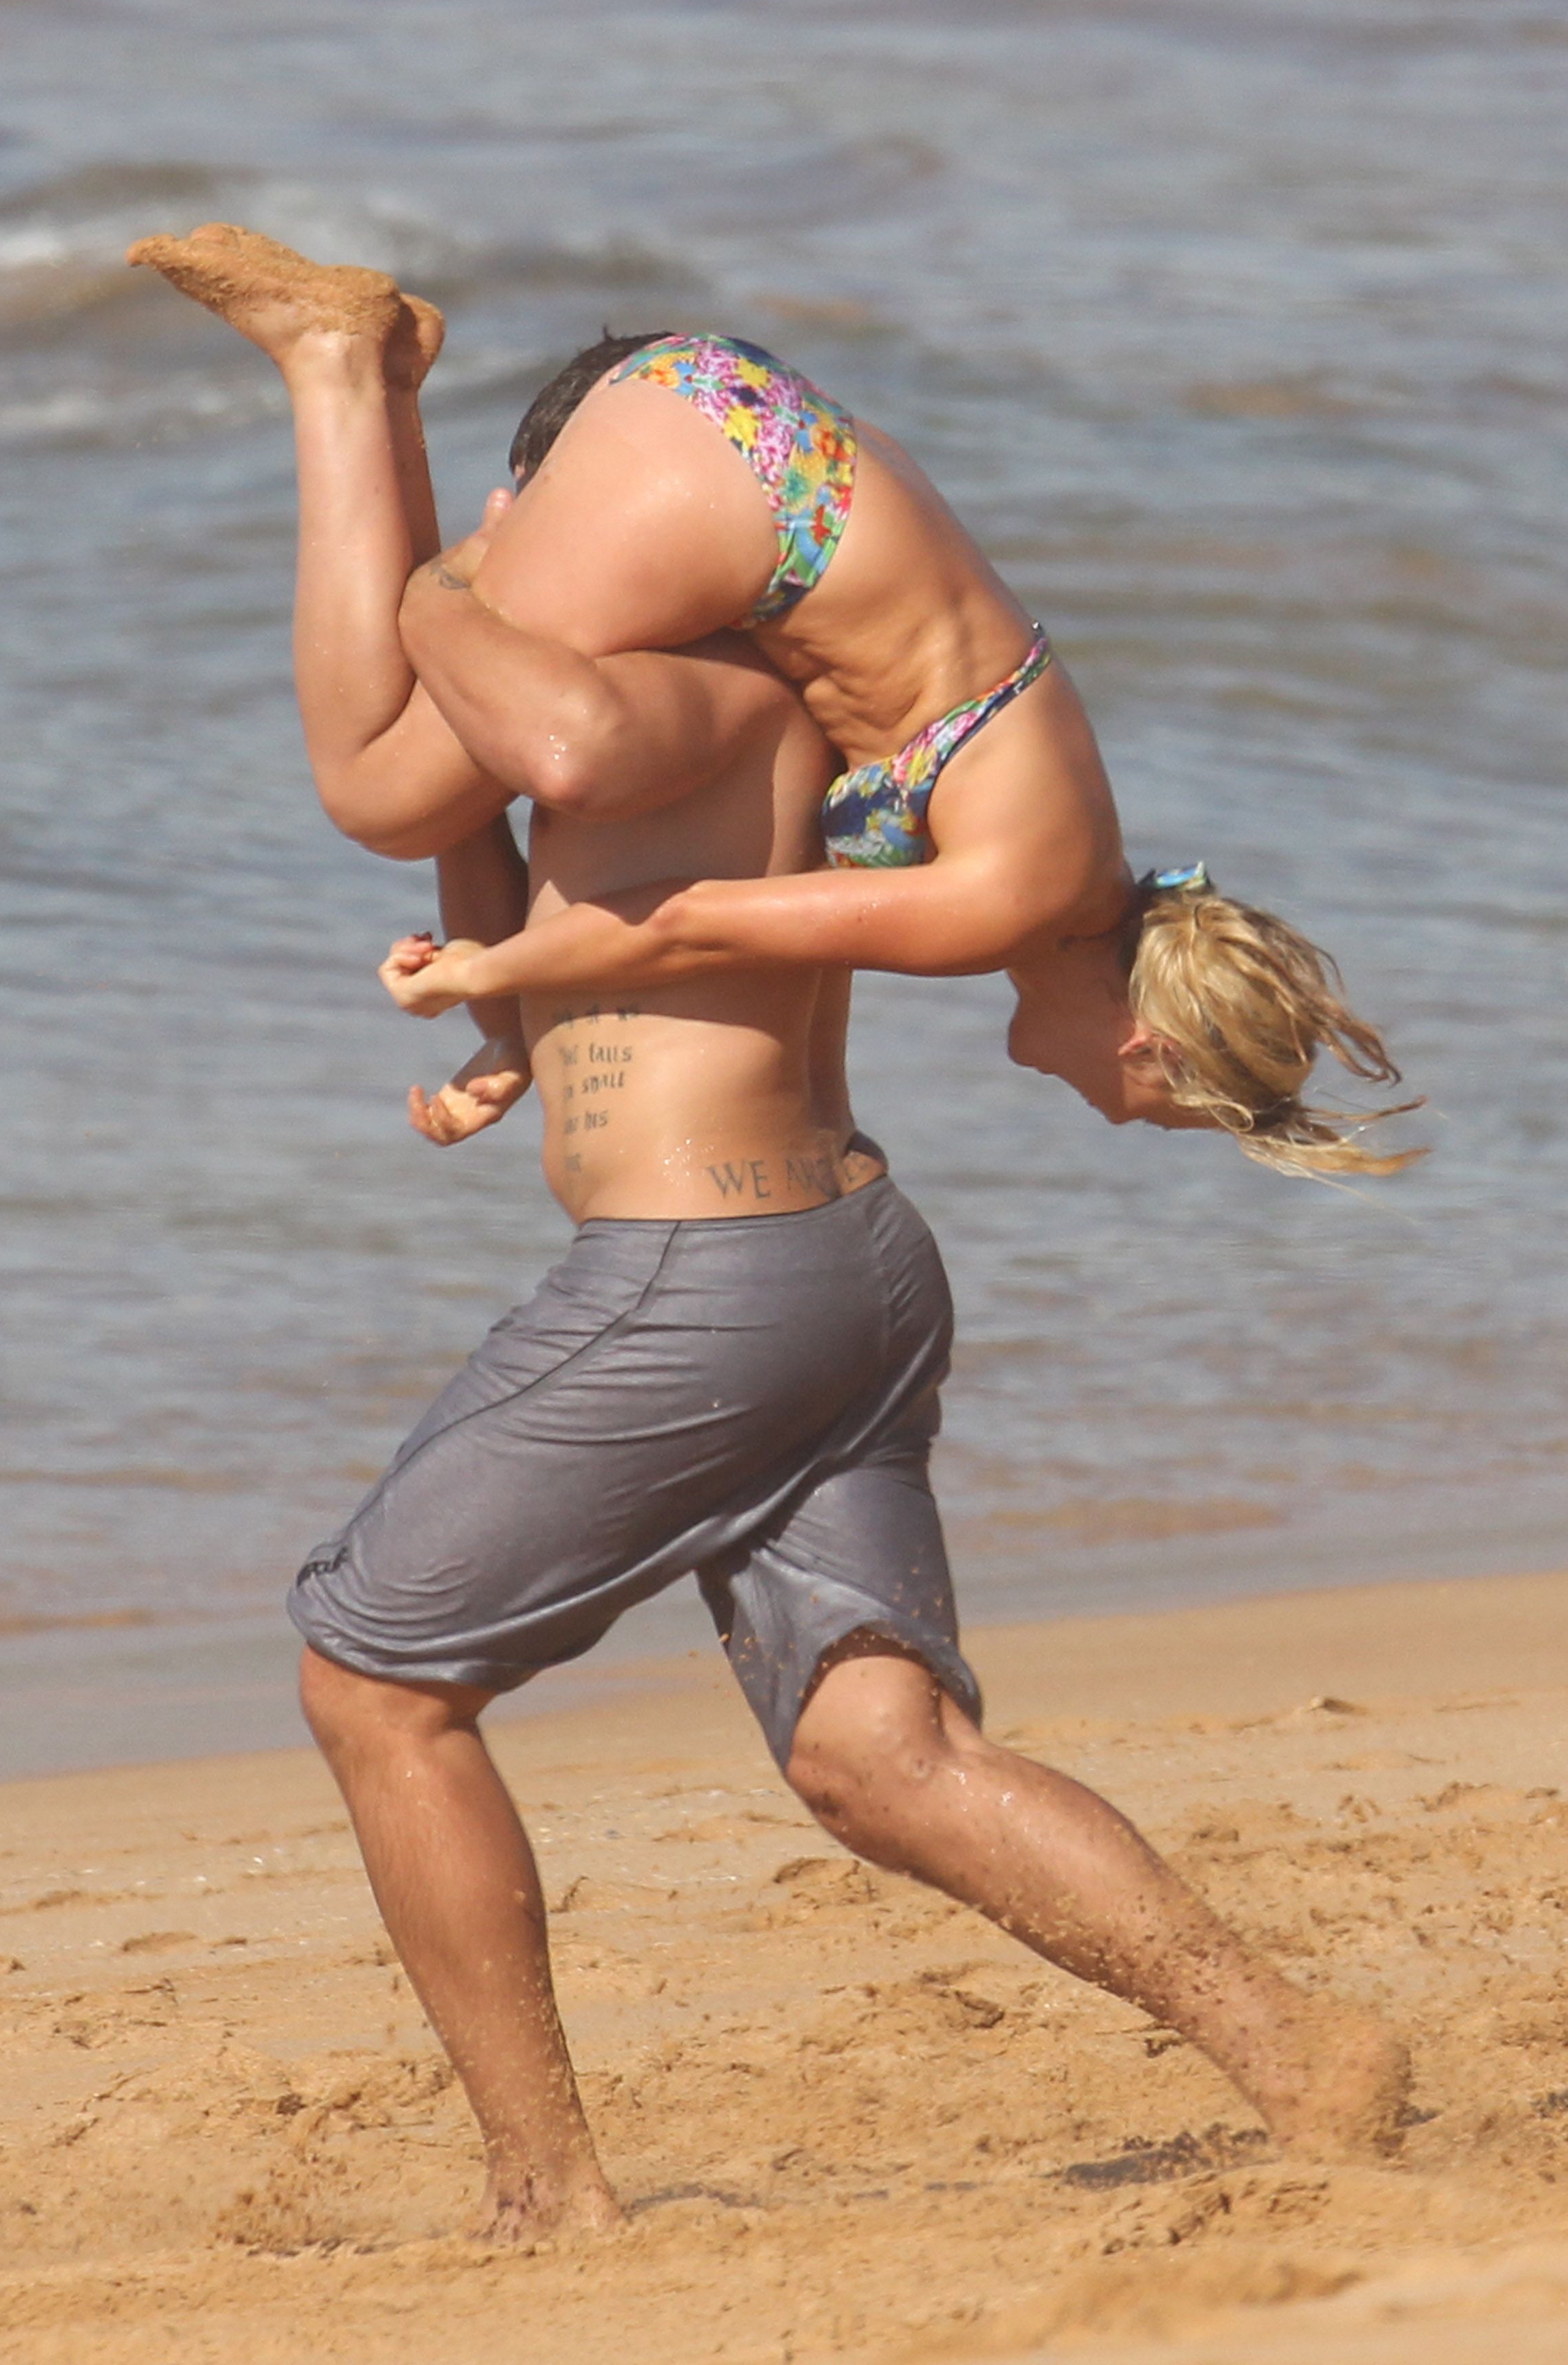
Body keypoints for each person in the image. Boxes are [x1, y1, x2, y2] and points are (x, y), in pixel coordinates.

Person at [125, 227, 1410, 2241]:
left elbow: (575, 808)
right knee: (885, 1758)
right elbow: (553, 831)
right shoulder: (814, 736)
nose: (1105, 1100)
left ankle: (546, 2192)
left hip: (709, 1278)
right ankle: (1293, 2045)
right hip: (845, 1273)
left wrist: (446, 587)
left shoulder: (723, 716)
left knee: (372, 1688)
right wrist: (500, 1007)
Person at [125, 224, 1414, 1170]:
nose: (1117, 1120)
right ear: (1149, 1051)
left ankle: (391, 413)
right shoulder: (1017, 902)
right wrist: (490, 970)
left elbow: (577, 823)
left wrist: (505, 1020)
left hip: (759, 459)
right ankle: (342, 369)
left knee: (482, 752)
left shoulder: (1066, 874)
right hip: (748, 496)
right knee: (379, 786)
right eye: (1159, 1118)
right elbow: (689, 923)